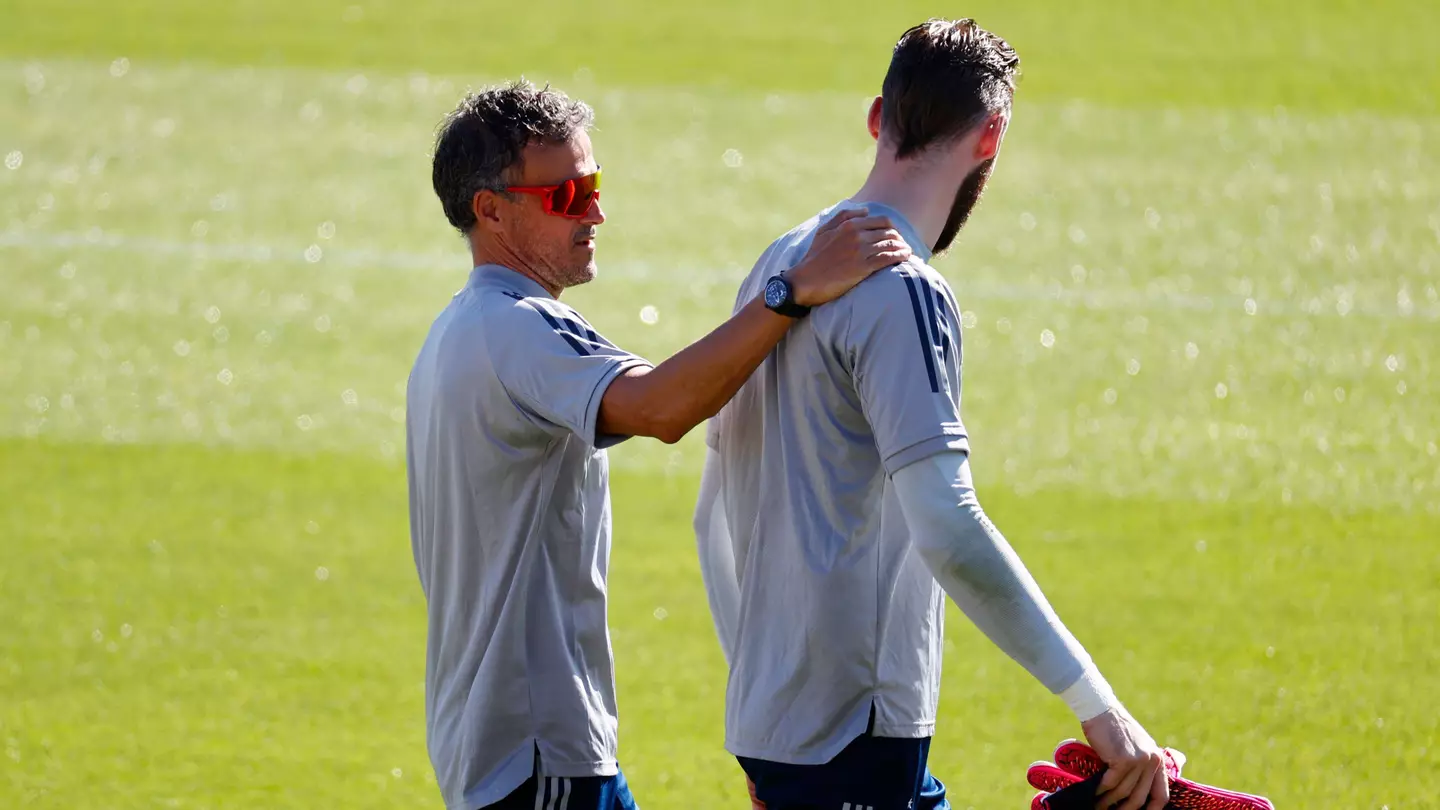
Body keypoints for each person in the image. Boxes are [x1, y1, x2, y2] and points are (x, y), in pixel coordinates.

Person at [694, 19, 1170, 810]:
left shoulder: (779, 263)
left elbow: (711, 516)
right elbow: (946, 525)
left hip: (778, 735)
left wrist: (757, 713)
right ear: (993, 136)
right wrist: (1100, 707)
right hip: (857, 737)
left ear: (878, 117)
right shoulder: (903, 289)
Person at [406, 80, 911, 810]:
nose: (596, 211)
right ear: (490, 209)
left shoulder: (460, 330)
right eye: (566, 196)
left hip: (509, 749)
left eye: (594, 184)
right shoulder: (516, 328)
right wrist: (791, 291)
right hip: (536, 753)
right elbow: (665, 406)